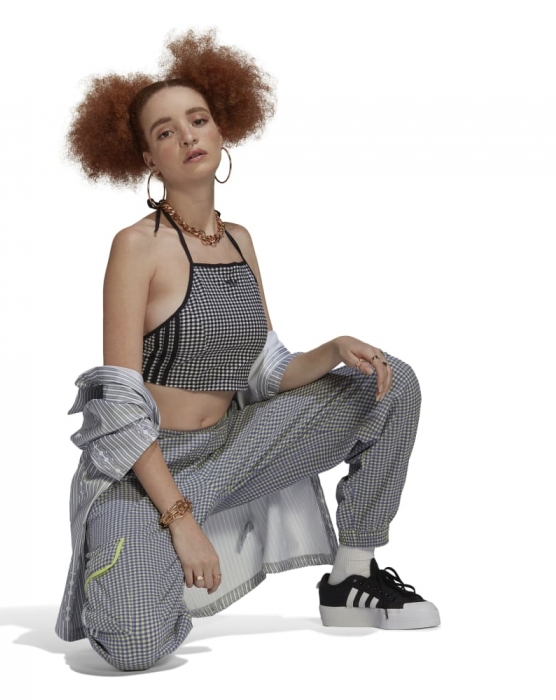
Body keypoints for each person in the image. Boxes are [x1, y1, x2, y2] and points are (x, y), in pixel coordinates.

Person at [55, 29, 440, 672]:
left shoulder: (238, 239)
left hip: (234, 449)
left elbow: (265, 370)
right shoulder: (136, 246)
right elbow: (119, 407)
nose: (188, 137)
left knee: (389, 380)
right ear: (148, 158)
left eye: (198, 120)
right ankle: (139, 569)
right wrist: (180, 520)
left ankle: (351, 575)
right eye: (166, 132)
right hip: (151, 469)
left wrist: (331, 349)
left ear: (222, 130)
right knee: (133, 648)